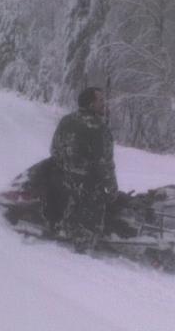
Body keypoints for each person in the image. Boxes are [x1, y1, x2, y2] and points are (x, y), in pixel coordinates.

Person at [50, 87, 118, 253]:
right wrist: (112, 186)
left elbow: (54, 150)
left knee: (71, 212)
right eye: (100, 101)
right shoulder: (98, 128)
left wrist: (66, 169)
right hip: (89, 186)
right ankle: (82, 262)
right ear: (90, 104)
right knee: (87, 229)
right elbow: (104, 163)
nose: (104, 104)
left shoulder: (66, 120)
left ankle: (66, 232)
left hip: (63, 180)